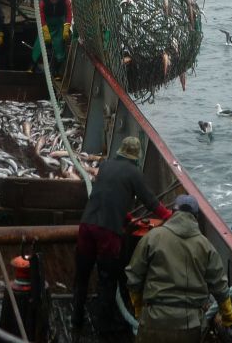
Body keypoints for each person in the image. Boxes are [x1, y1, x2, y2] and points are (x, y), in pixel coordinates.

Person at [73, 136, 173, 333]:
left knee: (82, 277)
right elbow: (151, 202)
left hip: (86, 225)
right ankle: (104, 328)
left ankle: (76, 320)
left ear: (120, 151)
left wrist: (124, 215)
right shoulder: (134, 173)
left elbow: (104, 194)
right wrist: (170, 216)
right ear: (136, 156)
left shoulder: (106, 165)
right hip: (108, 232)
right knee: (107, 280)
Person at [125, 194, 232, 342]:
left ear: (173, 213)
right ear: (195, 217)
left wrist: (139, 310)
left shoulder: (152, 237)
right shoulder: (206, 247)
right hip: (190, 327)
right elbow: (220, 287)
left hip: (153, 321)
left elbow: (133, 277)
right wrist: (228, 316)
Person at [31, 0, 72, 72]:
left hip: (59, 26)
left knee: (59, 46)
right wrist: (45, 30)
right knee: (38, 45)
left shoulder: (66, 1)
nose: (53, 0)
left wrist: (66, 27)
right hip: (47, 25)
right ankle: (32, 66)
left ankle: (56, 71)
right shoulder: (43, 2)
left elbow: (69, 14)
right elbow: (41, 16)